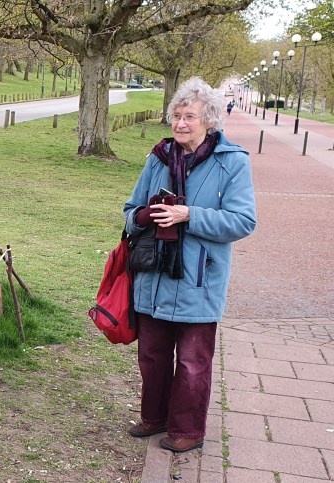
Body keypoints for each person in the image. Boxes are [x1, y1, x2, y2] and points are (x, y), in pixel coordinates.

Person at [124, 77, 256, 453]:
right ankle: (155, 417)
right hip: (153, 274)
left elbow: (243, 221)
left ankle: (188, 429)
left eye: (189, 117)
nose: (180, 124)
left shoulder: (231, 163)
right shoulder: (158, 157)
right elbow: (130, 212)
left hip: (199, 277)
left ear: (209, 120)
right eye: (176, 116)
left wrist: (189, 215)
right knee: (152, 354)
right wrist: (146, 215)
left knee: (193, 361)